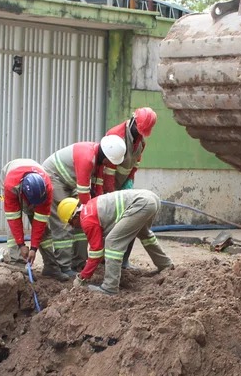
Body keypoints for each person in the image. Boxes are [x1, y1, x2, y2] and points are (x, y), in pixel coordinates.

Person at [57, 189, 174, 295]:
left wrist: (82, 277)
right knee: (145, 235)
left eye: (71, 223)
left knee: (112, 243)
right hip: (150, 198)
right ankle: (165, 265)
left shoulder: (86, 219)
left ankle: (110, 287)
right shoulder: (90, 206)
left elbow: (96, 252)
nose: (73, 227)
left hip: (141, 204)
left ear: (75, 216)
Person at [42, 135, 127, 276]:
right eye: (109, 161)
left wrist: (99, 209)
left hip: (70, 182)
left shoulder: (99, 160)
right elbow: (83, 195)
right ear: (105, 156)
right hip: (53, 178)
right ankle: (64, 266)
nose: (109, 164)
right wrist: (93, 215)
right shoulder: (87, 158)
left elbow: (98, 188)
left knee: (82, 221)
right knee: (66, 220)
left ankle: (79, 262)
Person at [106, 107, 158, 269]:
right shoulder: (116, 135)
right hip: (108, 184)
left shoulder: (141, 142)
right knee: (109, 224)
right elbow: (107, 168)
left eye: (144, 131)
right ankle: (102, 261)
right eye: (139, 129)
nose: (140, 133)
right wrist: (109, 193)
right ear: (133, 120)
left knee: (131, 221)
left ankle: (124, 261)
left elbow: (134, 166)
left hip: (123, 185)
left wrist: (128, 183)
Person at [0, 159, 67, 279]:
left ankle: (51, 267)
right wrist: (21, 245)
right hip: (11, 178)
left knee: (44, 229)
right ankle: (17, 265)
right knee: (13, 226)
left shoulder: (47, 188)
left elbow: (40, 222)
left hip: (31, 179)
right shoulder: (11, 187)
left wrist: (34, 248)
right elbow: (14, 220)